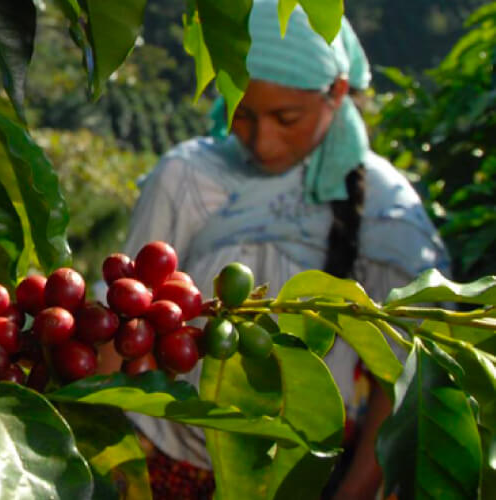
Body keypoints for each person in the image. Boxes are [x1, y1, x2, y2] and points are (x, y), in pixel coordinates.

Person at [99, 1, 450, 498]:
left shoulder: (387, 212)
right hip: (167, 462)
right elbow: (125, 323)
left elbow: (405, 387)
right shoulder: (187, 179)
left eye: (287, 119)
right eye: (243, 114)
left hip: (305, 480)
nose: (262, 141)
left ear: (338, 93)